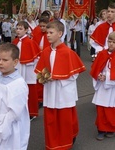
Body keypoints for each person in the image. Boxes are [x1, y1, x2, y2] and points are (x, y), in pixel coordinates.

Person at [35, 20, 86, 150]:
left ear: (60, 33)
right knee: (51, 120)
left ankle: (65, 143)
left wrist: (58, 77)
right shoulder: (46, 51)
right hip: (50, 91)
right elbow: (41, 71)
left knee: (64, 120)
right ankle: (52, 144)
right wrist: (44, 78)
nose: (48, 35)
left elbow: (74, 74)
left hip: (63, 93)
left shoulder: (68, 52)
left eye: (51, 32)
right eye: (47, 32)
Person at [12, 21, 41, 120]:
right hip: (17, 69)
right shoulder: (14, 42)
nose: (18, 31)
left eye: (21, 29)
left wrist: (28, 62)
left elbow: (36, 58)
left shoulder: (30, 42)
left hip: (28, 71)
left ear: (26, 30)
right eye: (17, 28)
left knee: (30, 91)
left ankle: (31, 112)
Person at [90, 31, 115, 141]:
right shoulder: (102, 54)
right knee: (101, 108)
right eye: (109, 41)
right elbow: (95, 68)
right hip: (101, 87)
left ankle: (110, 128)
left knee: (111, 109)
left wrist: (107, 77)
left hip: (112, 88)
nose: (111, 44)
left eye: (114, 42)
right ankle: (101, 129)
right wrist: (98, 75)